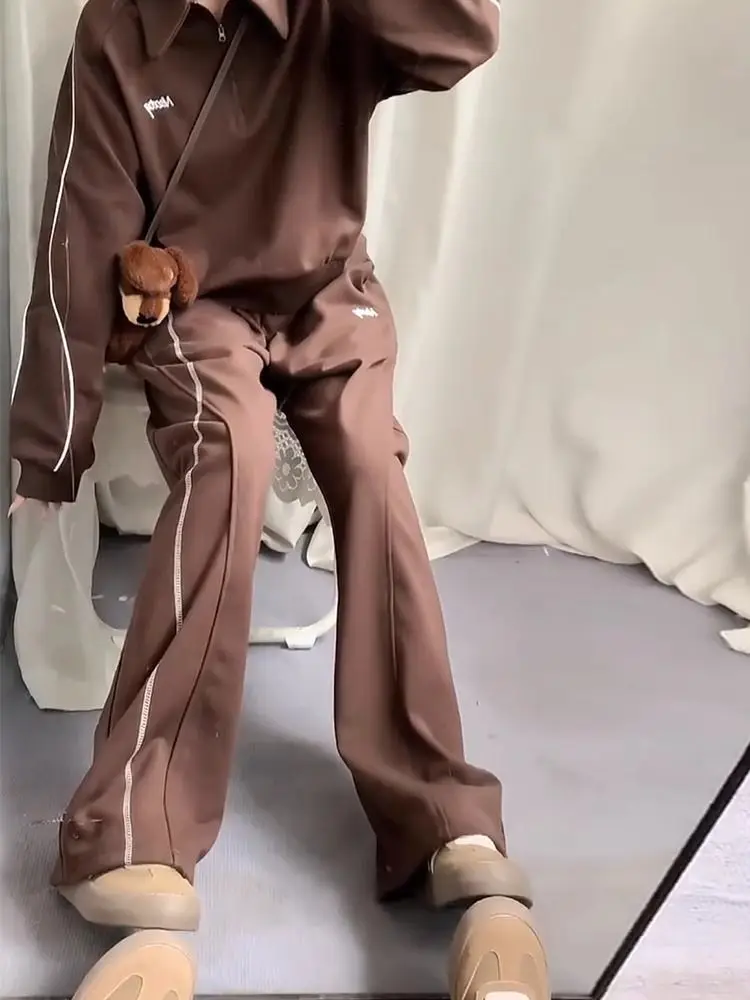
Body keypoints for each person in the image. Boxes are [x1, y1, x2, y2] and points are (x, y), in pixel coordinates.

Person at [10, 1, 550, 998]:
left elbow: (461, 39)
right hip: (196, 300)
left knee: (372, 466)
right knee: (229, 449)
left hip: (330, 289)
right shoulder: (120, 31)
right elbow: (76, 234)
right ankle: (133, 825)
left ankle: (444, 812)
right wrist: (51, 446)